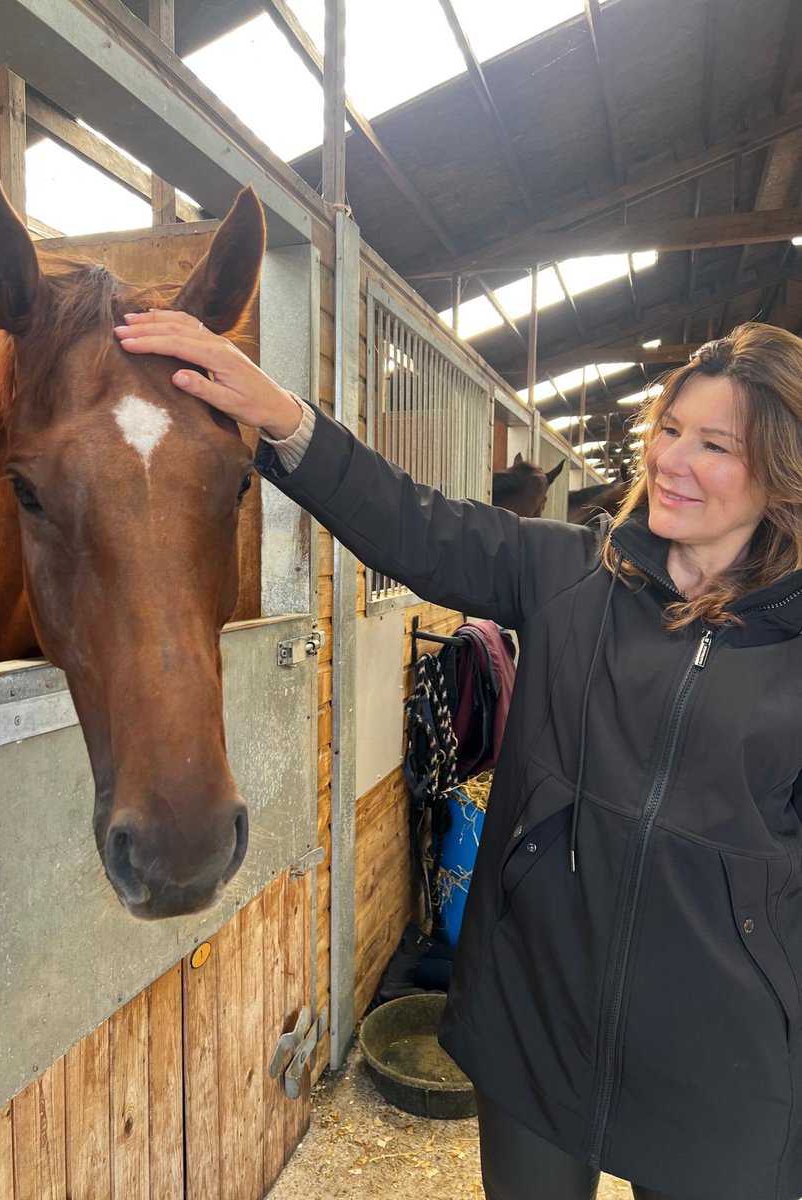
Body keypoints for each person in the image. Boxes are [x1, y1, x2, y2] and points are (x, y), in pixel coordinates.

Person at [114, 312, 802, 1200]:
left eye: (715, 444)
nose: (672, 460)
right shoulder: (570, 576)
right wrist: (285, 420)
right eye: (669, 429)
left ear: (782, 473)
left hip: (719, 1060)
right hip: (536, 1024)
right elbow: (416, 525)